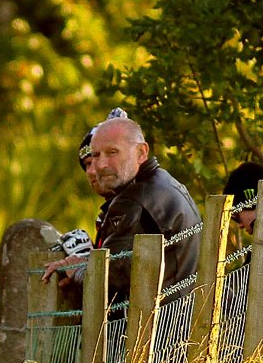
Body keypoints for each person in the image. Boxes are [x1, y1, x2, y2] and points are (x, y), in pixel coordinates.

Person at [45, 109, 201, 297]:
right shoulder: (164, 182)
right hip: (182, 312)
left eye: (112, 152)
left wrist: (78, 269)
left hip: (163, 321)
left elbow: (108, 279)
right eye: (95, 156)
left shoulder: (134, 200)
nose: (101, 165)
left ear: (141, 152)